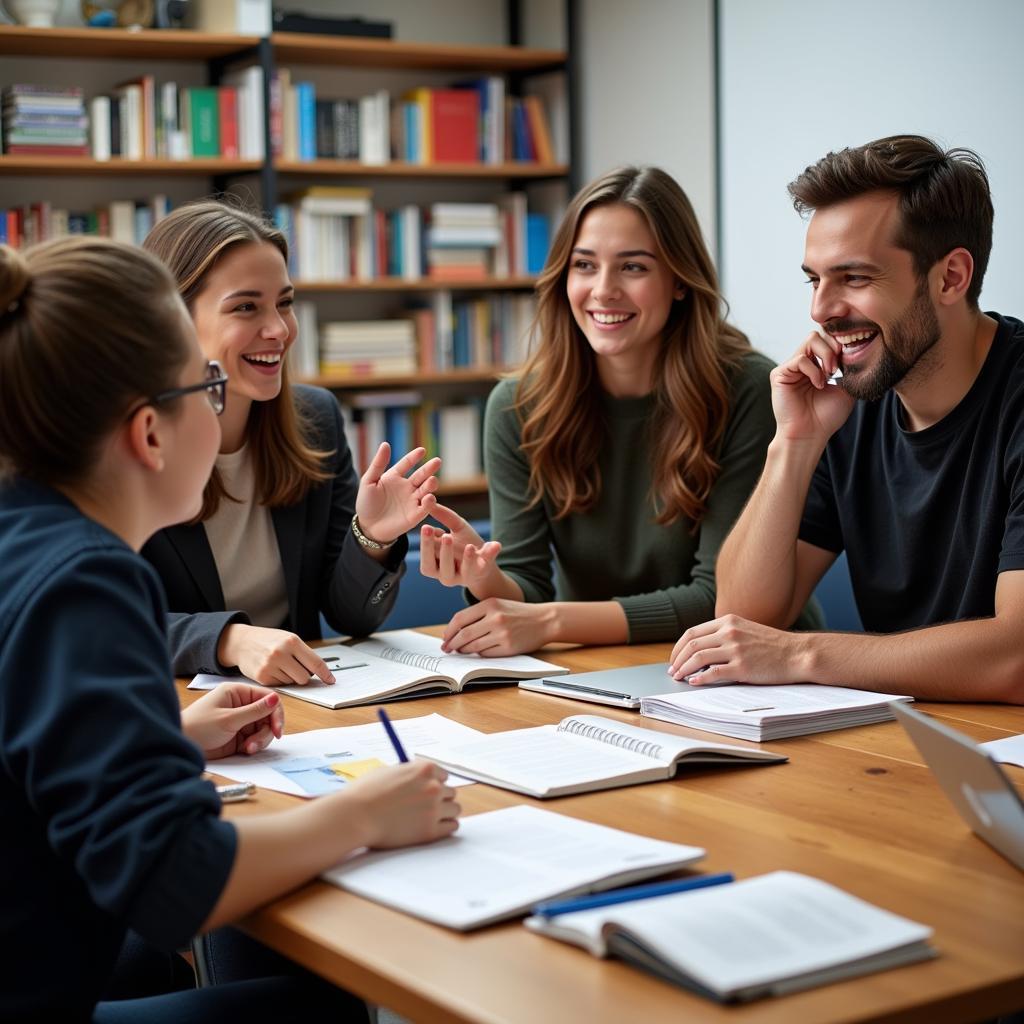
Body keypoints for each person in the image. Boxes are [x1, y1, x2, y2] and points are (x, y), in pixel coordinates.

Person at [0, 237, 460, 1021]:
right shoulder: (91, 581)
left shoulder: (23, 536)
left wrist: (171, 738)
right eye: (206, 387)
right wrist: (363, 814)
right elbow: (175, 885)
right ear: (150, 434)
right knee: (322, 1011)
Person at [670, 135, 1024, 705]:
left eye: (854, 278)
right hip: (913, 743)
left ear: (951, 277)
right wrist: (794, 441)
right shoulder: (856, 399)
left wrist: (802, 655)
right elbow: (740, 621)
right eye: (816, 279)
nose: (821, 309)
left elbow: (1017, 658)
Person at [419, 166, 821, 656]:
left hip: (749, 670)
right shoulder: (518, 406)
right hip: (598, 668)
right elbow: (527, 590)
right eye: (584, 265)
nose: (603, 290)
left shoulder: (749, 389)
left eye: (633, 267)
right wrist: (486, 579)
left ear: (678, 280)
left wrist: (548, 621)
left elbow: (723, 603)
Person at [141, 200, 438, 686]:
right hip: (177, 715)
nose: (279, 329)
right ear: (173, 320)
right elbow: (93, 623)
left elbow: (351, 618)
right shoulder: (120, 443)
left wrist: (373, 538)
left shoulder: (314, 419)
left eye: (284, 302)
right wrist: (227, 639)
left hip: (300, 711)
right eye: (246, 307)